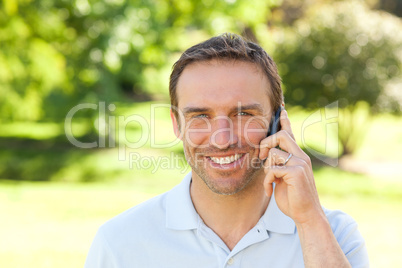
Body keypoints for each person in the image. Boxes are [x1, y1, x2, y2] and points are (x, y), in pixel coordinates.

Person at [85, 33, 369, 267]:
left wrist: (308, 221)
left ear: (277, 121)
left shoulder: (334, 235)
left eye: (243, 115)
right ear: (177, 124)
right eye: (200, 117)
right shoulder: (120, 243)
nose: (222, 140)